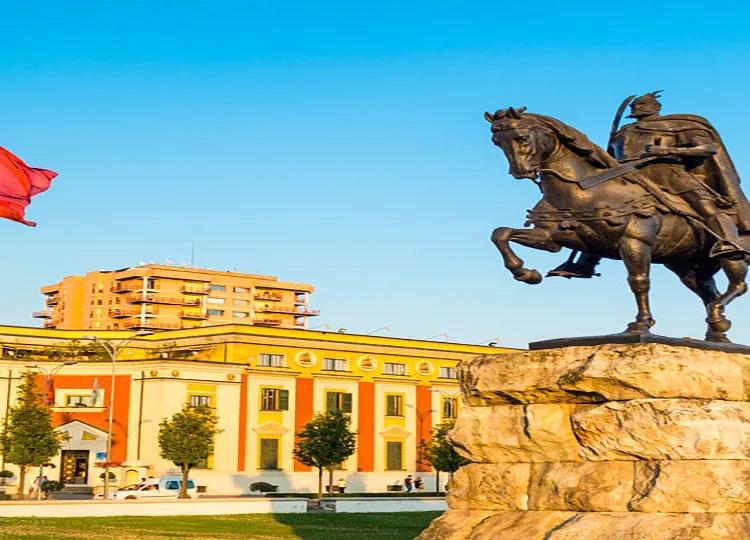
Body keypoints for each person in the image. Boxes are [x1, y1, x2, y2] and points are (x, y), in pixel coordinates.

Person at [548, 91, 750, 279]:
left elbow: (708, 148)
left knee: (706, 206)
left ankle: (727, 243)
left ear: (655, 107)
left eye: (642, 104)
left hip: (669, 173)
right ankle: (585, 262)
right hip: (627, 175)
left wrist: (670, 152)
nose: (637, 108)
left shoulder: (680, 125)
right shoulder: (623, 132)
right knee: (598, 209)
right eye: (636, 106)